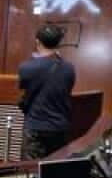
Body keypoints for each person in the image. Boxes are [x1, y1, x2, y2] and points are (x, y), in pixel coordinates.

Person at [18, 25, 77, 160]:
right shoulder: (69, 68)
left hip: (35, 126)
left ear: (37, 42)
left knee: (31, 168)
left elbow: (21, 90)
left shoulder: (27, 67)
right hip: (59, 127)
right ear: (58, 43)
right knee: (55, 168)